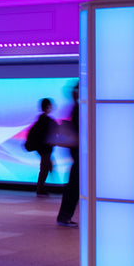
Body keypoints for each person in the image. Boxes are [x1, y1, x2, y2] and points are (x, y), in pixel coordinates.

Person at [55, 83, 80, 226]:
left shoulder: (75, 108)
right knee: (74, 185)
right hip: (80, 153)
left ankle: (64, 216)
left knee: (74, 185)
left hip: (77, 152)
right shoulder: (78, 109)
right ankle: (64, 216)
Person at [25, 97, 55, 196]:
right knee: (45, 167)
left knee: (45, 167)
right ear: (47, 107)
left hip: (42, 148)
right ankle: (40, 188)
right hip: (44, 148)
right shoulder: (46, 121)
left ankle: (40, 187)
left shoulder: (41, 120)